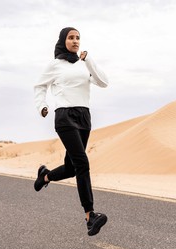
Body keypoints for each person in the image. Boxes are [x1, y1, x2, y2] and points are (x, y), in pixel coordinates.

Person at [33, 27, 108, 236]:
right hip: (65, 117)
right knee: (82, 163)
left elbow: (104, 82)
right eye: (71, 38)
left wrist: (89, 60)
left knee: (72, 168)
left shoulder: (85, 65)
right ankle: (90, 216)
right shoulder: (55, 65)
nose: (75, 41)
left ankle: (45, 177)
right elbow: (39, 86)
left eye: (78, 38)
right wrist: (42, 106)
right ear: (63, 41)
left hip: (84, 117)